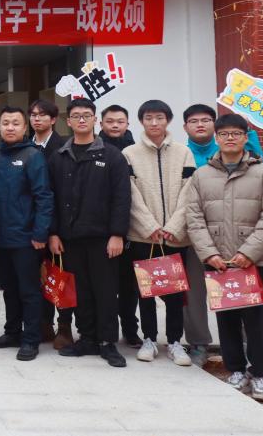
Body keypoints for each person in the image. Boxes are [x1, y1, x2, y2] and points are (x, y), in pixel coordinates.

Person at [187, 113, 263, 402]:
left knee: (256, 321)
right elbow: (194, 218)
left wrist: (248, 252)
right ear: (216, 138)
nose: (230, 138)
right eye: (224, 134)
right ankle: (236, 370)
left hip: (254, 261)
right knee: (226, 319)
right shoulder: (202, 175)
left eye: (236, 133)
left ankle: (260, 373)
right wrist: (210, 253)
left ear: (245, 137)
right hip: (219, 262)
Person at [48, 98, 130, 368]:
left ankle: (107, 342)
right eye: (76, 116)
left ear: (95, 120)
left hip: (103, 238)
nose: (81, 120)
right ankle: (87, 338)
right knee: (80, 291)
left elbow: (122, 197)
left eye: (86, 115)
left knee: (105, 291)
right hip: (70, 237)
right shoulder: (59, 156)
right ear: (68, 121)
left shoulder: (111, 156)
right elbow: (51, 198)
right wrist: (53, 233)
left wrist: (117, 234)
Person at [181, 103, 259, 365]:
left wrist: (251, 132)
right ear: (185, 126)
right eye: (194, 121)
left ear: (214, 126)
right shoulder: (182, 154)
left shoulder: (235, 151)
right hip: (196, 236)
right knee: (193, 294)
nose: (200, 125)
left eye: (205, 120)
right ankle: (198, 343)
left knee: (236, 291)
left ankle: (243, 346)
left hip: (235, 235)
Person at [122, 100, 196, 366]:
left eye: (160, 118)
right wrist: (148, 225)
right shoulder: (129, 154)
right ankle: (149, 339)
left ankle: (175, 341)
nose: (154, 123)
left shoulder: (183, 153)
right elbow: (130, 194)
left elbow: (190, 192)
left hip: (175, 236)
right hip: (144, 237)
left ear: (168, 120)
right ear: (141, 121)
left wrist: (174, 226)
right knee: (147, 292)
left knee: (175, 291)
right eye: (149, 118)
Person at [0, 106, 53, 361]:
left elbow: (44, 197)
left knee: (29, 290)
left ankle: (31, 338)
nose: (10, 127)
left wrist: (40, 233)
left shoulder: (33, 156)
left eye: (15, 123)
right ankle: (12, 332)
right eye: (5, 123)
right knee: (8, 289)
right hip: (0, 237)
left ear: (25, 127)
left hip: (27, 238)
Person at [99, 105, 143, 349]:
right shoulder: (95, 149)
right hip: (102, 228)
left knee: (129, 285)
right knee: (104, 284)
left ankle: (130, 328)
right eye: (110, 121)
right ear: (101, 124)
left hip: (133, 227)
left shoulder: (136, 151)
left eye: (120, 121)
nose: (115, 125)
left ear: (128, 124)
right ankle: (104, 331)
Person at [29, 98, 71, 348]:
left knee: (61, 275)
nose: (37, 119)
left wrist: (53, 230)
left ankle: (64, 326)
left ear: (54, 119)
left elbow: (61, 193)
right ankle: (44, 324)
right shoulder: (25, 146)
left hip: (58, 226)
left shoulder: (64, 147)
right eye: (33, 115)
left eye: (43, 115)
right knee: (40, 277)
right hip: (31, 226)